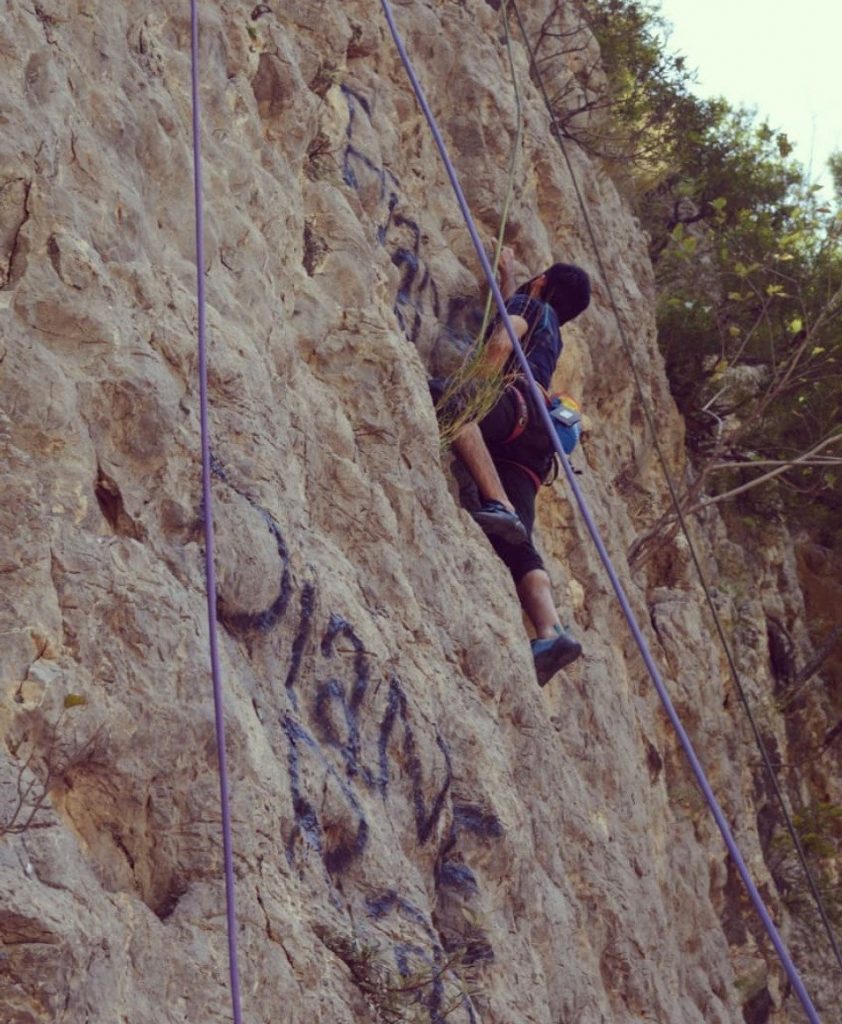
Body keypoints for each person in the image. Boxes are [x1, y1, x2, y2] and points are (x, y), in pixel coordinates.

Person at [436, 248, 592, 686]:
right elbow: (515, 318)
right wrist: (506, 277)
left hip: (514, 404)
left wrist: (474, 390)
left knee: (453, 405)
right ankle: (550, 631)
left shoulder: (531, 306)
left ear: (541, 284)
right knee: (518, 546)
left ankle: (497, 502)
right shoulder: (552, 330)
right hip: (533, 445)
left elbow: (505, 340)